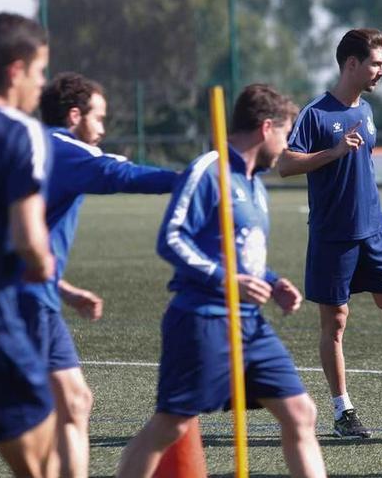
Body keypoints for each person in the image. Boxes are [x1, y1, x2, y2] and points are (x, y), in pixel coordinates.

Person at [116, 84, 326, 478]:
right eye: (286, 134)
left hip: (251, 324)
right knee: (171, 426)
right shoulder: (207, 171)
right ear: (266, 128)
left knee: (300, 412)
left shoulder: (255, 185)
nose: (287, 146)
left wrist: (273, 281)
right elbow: (172, 237)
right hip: (202, 319)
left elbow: (240, 253)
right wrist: (228, 280)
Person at [16, 71, 178, 478]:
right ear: (75, 115)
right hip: (21, 300)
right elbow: (119, 174)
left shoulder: (36, 146)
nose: (103, 128)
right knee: (1, 418)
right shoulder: (66, 150)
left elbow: (16, 237)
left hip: (37, 294)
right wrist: (190, 179)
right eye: (99, 117)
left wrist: (65, 289)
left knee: (75, 403)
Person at [278, 28, 382, 438]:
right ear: (351, 64)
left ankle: (362, 281)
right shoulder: (316, 113)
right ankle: (342, 410)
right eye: (376, 63)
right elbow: (284, 164)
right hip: (333, 236)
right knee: (334, 324)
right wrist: (332, 153)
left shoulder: (366, 112)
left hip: (374, 232)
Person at [0, 12, 57, 477]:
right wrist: (41, 262)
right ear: (16, 70)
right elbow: (28, 237)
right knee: (42, 456)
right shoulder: (21, 133)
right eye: (40, 72)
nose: (42, 86)